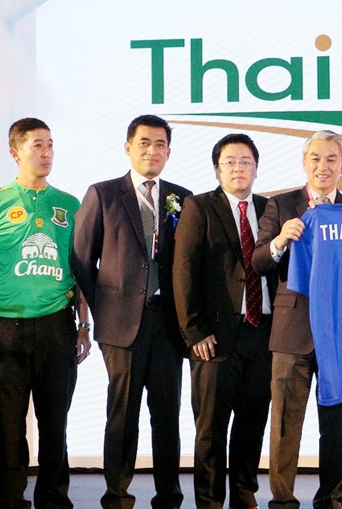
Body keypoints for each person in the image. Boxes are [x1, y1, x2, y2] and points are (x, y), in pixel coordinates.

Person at [71, 114, 192, 509]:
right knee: (122, 414)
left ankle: (169, 494)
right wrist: (105, 307)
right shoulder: (103, 194)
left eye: (160, 144)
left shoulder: (182, 198)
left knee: (167, 415)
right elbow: (81, 259)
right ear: (128, 147)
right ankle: (118, 494)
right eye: (144, 143)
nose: (152, 150)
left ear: (169, 152)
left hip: (168, 323)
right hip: (121, 325)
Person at [0, 117, 91, 509]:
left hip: (57, 326)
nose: (46, 153)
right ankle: (11, 499)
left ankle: (54, 499)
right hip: (4, 327)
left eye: (50, 145)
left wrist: (83, 325)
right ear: (15, 152)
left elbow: (80, 269)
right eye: (37, 146)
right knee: (10, 426)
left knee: (55, 423)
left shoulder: (70, 204)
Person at [252, 130, 342, 509]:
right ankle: (282, 501)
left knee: (337, 427)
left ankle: (331, 501)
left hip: (340, 334)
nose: (322, 166)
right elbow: (258, 261)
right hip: (291, 332)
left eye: (331, 159)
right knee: (284, 425)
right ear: (304, 162)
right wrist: (280, 240)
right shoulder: (280, 205)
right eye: (315, 158)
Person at [173, 133, 277, 509]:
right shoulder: (198, 207)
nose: (238, 168)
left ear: (256, 167)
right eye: (230, 162)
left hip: (263, 333)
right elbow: (183, 271)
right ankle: (210, 500)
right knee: (211, 428)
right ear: (217, 169)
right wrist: (195, 330)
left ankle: (245, 495)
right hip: (214, 338)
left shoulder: (270, 209)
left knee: (252, 422)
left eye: (245, 161)